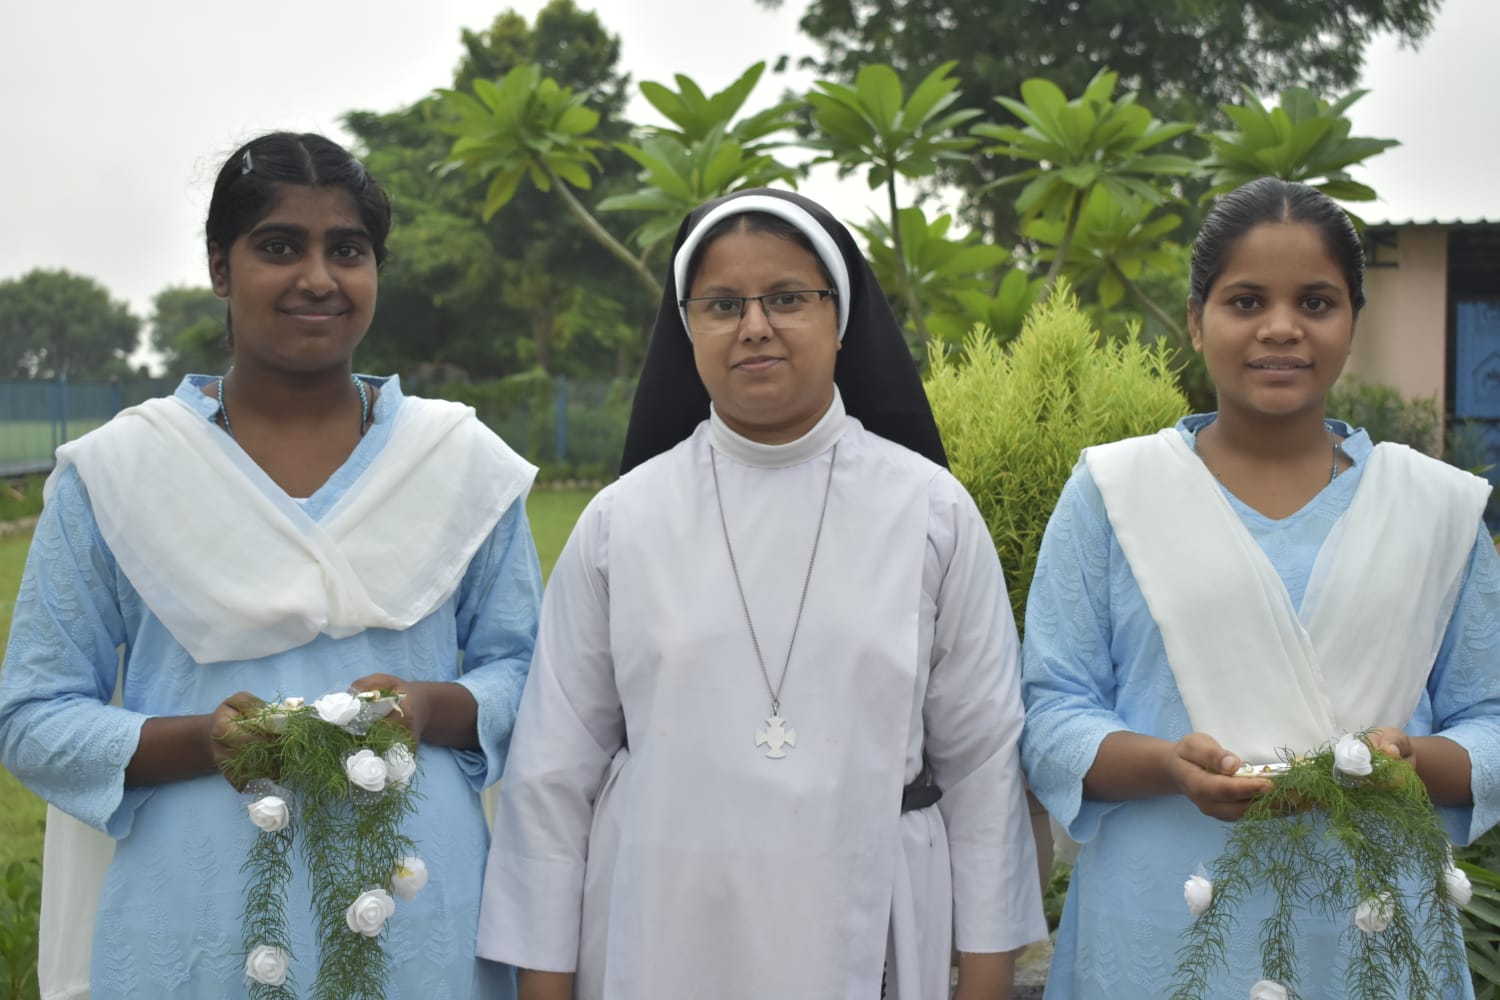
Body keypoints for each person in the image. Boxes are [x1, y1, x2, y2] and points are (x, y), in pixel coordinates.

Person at [0, 131, 540, 1000]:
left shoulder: (458, 463)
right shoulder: (121, 472)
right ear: (221, 267)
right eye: (279, 246)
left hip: (421, 909)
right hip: (195, 919)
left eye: (348, 251)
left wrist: (433, 707)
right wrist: (199, 741)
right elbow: (32, 716)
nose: (318, 278)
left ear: (376, 271)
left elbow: (532, 673)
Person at [474, 188, 1046, 999]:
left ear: (840, 317)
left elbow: (985, 760)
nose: (754, 326)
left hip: (868, 915)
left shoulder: (932, 512)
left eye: (787, 298)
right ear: (688, 326)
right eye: (721, 304)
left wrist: (985, 977)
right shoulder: (621, 522)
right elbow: (551, 773)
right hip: (660, 922)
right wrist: (544, 983)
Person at [1020, 176, 1500, 999]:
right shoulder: (1114, 491)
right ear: (1197, 317)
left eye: (1316, 302)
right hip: (1159, 937)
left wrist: (1412, 763)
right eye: (1246, 302)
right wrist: (1169, 765)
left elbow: (1490, 719)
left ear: (1353, 321)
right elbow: (1051, 714)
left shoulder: (1435, 508)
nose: (1281, 328)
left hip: (1374, 940)